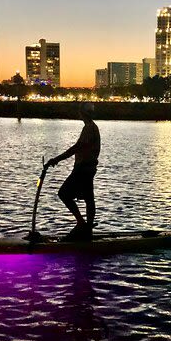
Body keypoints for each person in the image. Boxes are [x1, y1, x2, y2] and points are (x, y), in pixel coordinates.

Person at [46, 103, 101, 240]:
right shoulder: (90, 127)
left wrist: (56, 159)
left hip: (84, 169)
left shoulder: (90, 128)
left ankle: (83, 225)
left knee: (64, 193)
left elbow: (77, 148)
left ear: (82, 113)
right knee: (89, 198)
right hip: (87, 168)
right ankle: (86, 229)